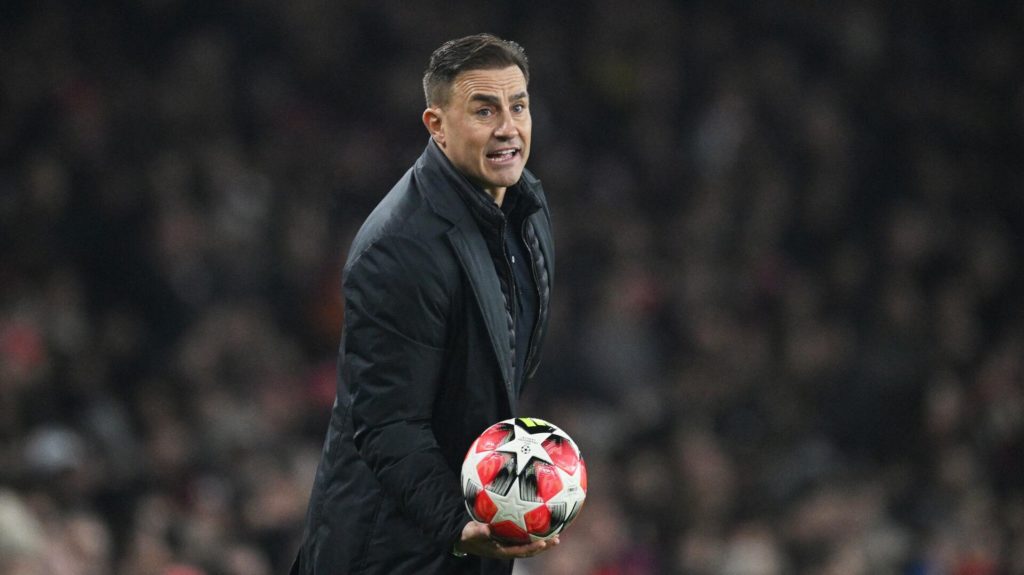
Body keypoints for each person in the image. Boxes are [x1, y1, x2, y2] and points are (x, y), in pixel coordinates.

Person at [290, 34, 557, 574]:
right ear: (437, 125)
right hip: (384, 551)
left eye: (518, 106)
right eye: (484, 110)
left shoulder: (525, 206)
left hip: (462, 534)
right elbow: (389, 424)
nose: (508, 127)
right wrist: (457, 522)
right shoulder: (399, 248)